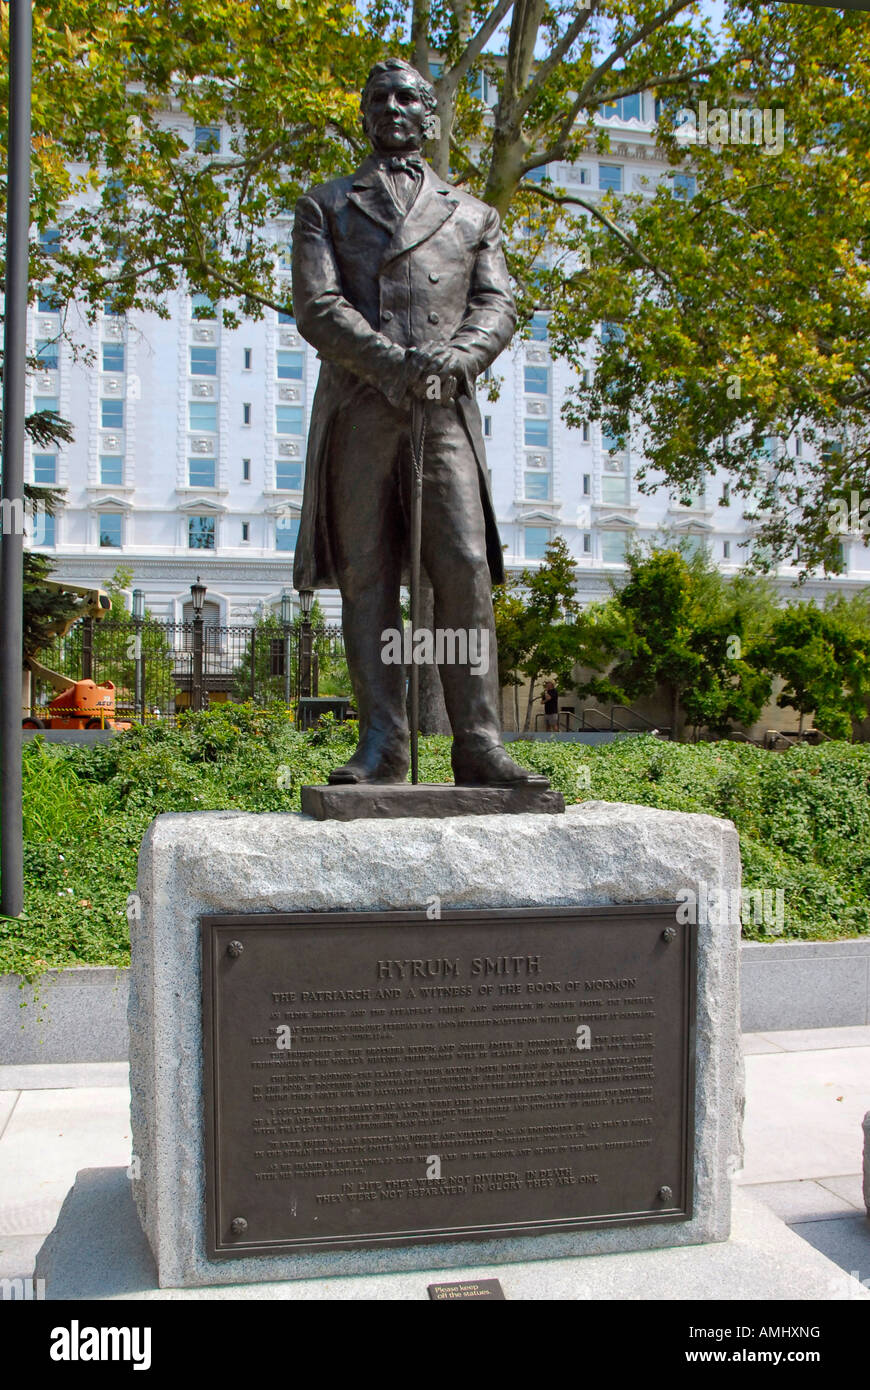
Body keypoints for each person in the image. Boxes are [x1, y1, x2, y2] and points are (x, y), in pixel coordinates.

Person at [292, 57, 546, 789]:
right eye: (379, 98)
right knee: (366, 576)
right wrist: (394, 363)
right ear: (364, 114)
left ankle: (479, 743)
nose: (393, 107)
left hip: (443, 413)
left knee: (463, 569)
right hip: (362, 412)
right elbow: (319, 306)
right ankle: (382, 746)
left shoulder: (473, 215)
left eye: (408, 96)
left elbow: (497, 305)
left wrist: (458, 358)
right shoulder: (327, 206)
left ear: (430, 115)